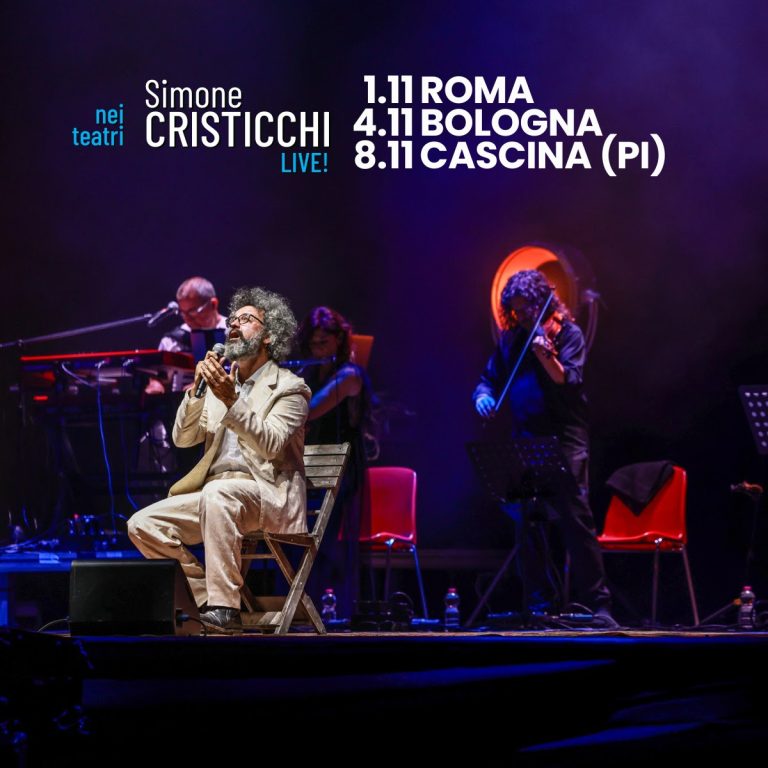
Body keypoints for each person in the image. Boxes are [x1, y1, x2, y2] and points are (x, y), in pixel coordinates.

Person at [128, 286, 310, 633]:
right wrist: (197, 393)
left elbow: (271, 444)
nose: (234, 325)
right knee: (142, 524)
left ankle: (225, 607)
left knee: (218, 495)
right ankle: (203, 600)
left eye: (246, 319)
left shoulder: (290, 388)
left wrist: (231, 401)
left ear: (269, 336)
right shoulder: (219, 385)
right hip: (217, 495)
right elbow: (183, 439)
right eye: (233, 320)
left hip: (267, 493)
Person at [473, 269, 617, 628]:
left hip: (565, 439)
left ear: (543, 302)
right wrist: (483, 397)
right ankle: (539, 603)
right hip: (525, 439)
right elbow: (488, 379)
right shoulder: (511, 340)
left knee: (575, 519)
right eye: (516, 310)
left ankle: (598, 604)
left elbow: (567, 380)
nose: (522, 316)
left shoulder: (568, 334)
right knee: (525, 520)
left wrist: (545, 355)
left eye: (528, 308)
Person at [295, 307, 372, 620]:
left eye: (324, 343)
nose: (318, 350)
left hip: (342, 467)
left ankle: (332, 609)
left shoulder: (350, 375)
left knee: (326, 539)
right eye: (313, 344)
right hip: (310, 464)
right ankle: (300, 606)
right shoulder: (308, 373)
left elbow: (310, 409)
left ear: (339, 340)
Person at [158, 275, 227, 354]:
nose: (187, 319)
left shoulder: (235, 332)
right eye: (182, 312)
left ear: (213, 304)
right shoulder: (172, 343)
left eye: (193, 311)